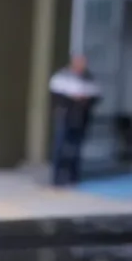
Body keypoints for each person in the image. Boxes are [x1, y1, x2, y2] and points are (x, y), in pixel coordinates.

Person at [48, 54, 100, 186]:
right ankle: (57, 177)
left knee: (76, 149)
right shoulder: (62, 77)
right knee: (60, 147)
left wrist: (83, 100)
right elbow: (56, 97)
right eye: (79, 63)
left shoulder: (89, 79)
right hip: (65, 117)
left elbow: (95, 96)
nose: (81, 66)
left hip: (81, 118)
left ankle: (73, 176)